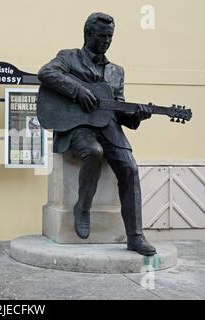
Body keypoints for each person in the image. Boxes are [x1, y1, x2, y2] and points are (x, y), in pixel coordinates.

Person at [38, 12, 156, 256]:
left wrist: (137, 115)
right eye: (102, 36)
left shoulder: (116, 71)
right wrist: (77, 90)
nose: (106, 41)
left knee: (130, 168)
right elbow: (46, 73)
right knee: (93, 151)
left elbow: (119, 108)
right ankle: (82, 207)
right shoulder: (69, 58)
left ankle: (135, 237)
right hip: (78, 127)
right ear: (88, 34)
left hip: (110, 128)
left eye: (110, 37)